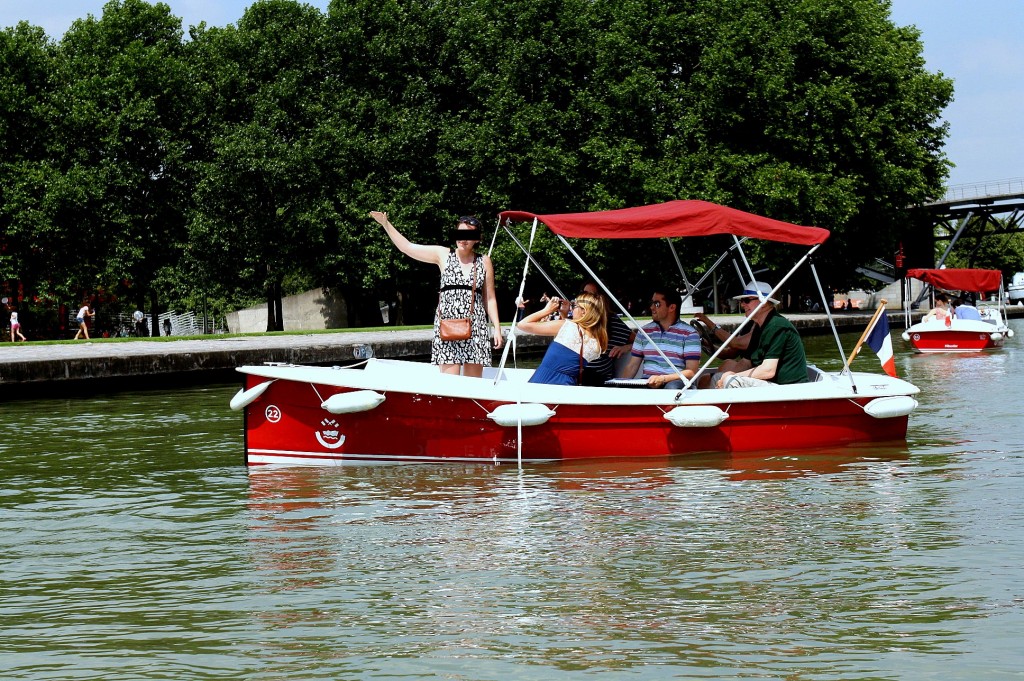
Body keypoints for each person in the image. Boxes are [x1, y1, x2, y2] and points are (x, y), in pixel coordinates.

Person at [370, 211, 503, 377]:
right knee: (449, 384)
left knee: (474, 385)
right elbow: (407, 247)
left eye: (469, 235)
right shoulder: (443, 254)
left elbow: (490, 298)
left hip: (476, 327)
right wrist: (386, 224)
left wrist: (497, 329)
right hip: (447, 326)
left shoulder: (484, 261)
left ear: (477, 239)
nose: (464, 239)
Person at [697, 281, 808, 388]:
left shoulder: (777, 326)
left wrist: (732, 375)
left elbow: (768, 370)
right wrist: (723, 375)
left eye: (746, 300)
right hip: (771, 384)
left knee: (730, 380)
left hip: (787, 387)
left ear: (763, 302)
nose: (742, 304)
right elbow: (746, 362)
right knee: (710, 379)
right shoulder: (760, 327)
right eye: (742, 301)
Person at [517, 292, 607, 385]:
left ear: (584, 311)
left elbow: (522, 324)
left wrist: (547, 310)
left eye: (574, 305)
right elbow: (569, 349)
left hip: (543, 383)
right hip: (565, 388)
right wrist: (565, 315)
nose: (572, 308)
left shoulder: (567, 326)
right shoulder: (597, 343)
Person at [617, 288, 701, 389]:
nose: (652, 307)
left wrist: (663, 379)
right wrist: (620, 387)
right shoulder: (644, 332)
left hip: (675, 382)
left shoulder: (690, 334)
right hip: (648, 381)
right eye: (652, 303)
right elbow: (632, 365)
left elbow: (691, 372)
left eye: (657, 304)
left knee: (672, 387)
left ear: (672, 307)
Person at [577, 281, 636, 386]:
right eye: (583, 293)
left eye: (591, 295)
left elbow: (640, 341)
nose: (585, 298)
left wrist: (626, 347)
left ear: (601, 299)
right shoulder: (576, 319)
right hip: (575, 376)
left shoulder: (613, 322)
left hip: (598, 380)